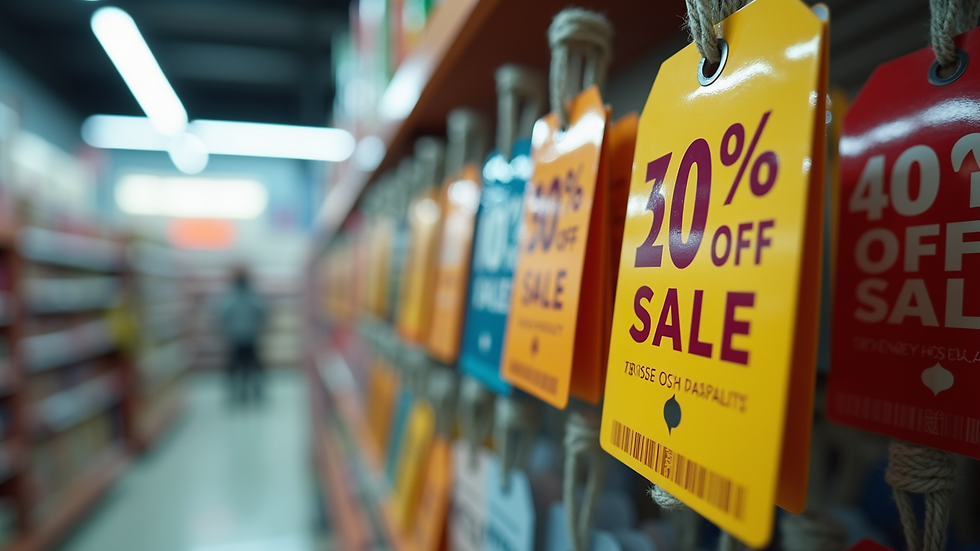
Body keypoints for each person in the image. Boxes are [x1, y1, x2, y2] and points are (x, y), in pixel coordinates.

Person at [217, 267, 267, 404]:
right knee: (253, 366)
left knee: (236, 367)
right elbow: (262, 312)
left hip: (235, 338)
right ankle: (255, 393)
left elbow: (222, 314)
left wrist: (227, 329)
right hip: (250, 337)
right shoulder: (253, 296)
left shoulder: (229, 297)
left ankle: (237, 394)